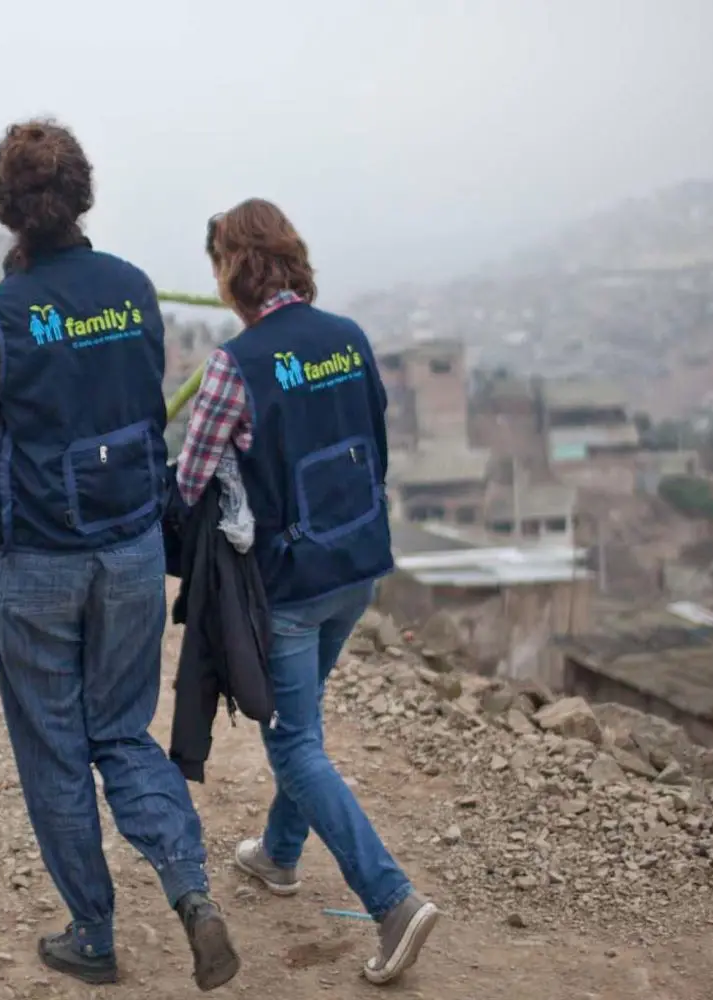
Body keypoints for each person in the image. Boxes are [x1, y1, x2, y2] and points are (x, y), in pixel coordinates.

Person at [0, 119, 240, 992]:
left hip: (36, 561)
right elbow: (142, 411)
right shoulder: (135, 291)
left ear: (7, 211)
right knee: (120, 730)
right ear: (82, 195)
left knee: (52, 745)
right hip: (130, 552)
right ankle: (192, 894)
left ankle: (93, 932)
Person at [176, 199, 440, 987]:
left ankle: (391, 901)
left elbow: (190, 481)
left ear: (231, 270)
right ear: (291, 256)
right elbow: (379, 443)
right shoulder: (349, 338)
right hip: (355, 565)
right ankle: (279, 854)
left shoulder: (235, 365)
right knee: (304, 723)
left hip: (286, 586)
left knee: (292, 742)